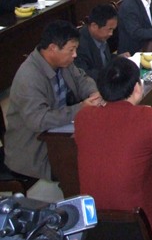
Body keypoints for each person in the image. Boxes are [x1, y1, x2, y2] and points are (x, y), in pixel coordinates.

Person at [75, 57, 152, 240]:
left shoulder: (83, 117)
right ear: (137, 88)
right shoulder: (151, 119)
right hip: (140, 217)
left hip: (94, 218)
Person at [5, 20, 101, 180]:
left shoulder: (63, 61)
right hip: (35, 148)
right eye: (71, 50)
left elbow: (82, 80)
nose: (75, 55)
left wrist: (94, 93)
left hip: (59, 132)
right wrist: (79, 109)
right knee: (88, 166)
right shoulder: (29, 77)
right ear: (52, 48)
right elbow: (38, 120)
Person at [75, 4, 124, 80]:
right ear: (94, 26)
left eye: (113, 29)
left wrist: (119, 58)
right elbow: (85, 74)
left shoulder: (100, 36)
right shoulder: (79, 45)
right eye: (109, 29)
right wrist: (110, 74)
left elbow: (104, 59)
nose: (111, 33)